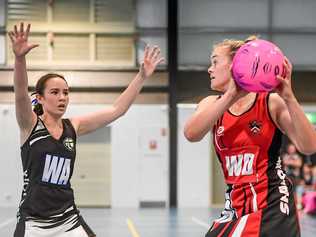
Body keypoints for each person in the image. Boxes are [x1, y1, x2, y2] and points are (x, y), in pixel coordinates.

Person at [9, 22, 164, 237]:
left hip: (68, 220)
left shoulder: (73, 126)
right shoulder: (30, 124)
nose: (62, 97)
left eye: (66, 92)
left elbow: (116, 109)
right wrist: (19, 59)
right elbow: (20, 94)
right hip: (33, 222)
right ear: (41, 98)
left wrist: (141, 76)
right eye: (55, 92)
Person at [184, 36, 316, 237]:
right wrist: (230, 95)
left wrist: (289, 97)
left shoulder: (270, 103)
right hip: (235, 206)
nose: (209, 69)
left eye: (215, 61)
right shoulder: (211, 104)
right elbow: (191, 133)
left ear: (235, 65)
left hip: (272, 203)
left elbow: (309, 146)